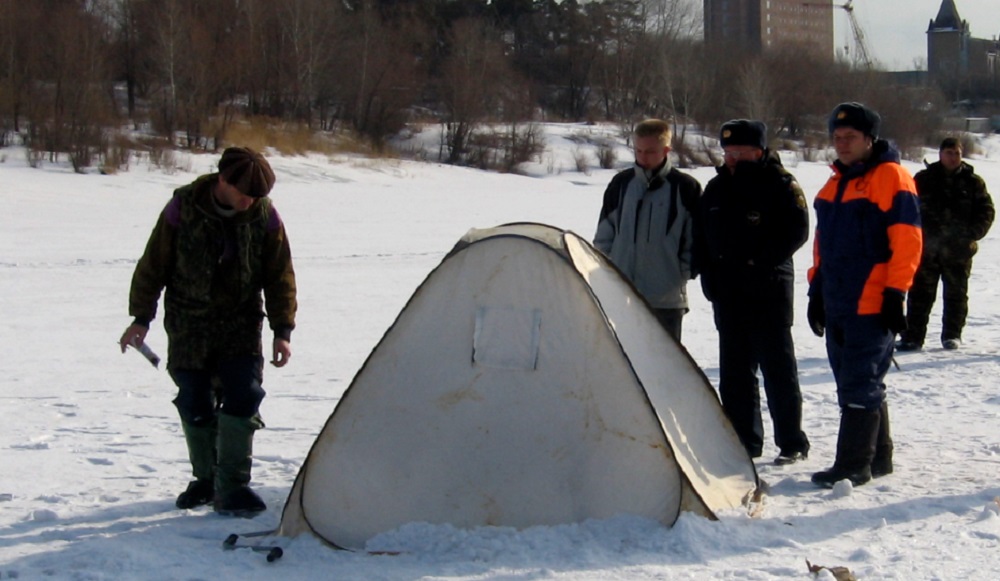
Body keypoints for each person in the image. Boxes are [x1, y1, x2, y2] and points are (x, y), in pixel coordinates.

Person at [119, 147, 297, 515]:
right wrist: (140, 318)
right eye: (244, 194)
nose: (250, 202)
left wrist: (283, 329)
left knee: (244, 395)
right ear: (223, 181)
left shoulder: (265, 216)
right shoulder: (182, 209)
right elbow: (153, 266)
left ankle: (232, 487)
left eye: (257, 196)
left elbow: (280, 275)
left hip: (241, 323)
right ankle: (205, 479)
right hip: (189, 323)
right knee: (194, 400)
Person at [806, 103, 922, 488]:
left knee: (859, 381)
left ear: (869, 139)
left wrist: (896, 292)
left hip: (871, 299)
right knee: (857, 379)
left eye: (850, 137)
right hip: (839, 298)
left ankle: (854, 464)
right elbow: (822, 245)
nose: (842, 144)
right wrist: (816, 290)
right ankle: (879, 456)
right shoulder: (834, 184)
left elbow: (907, 239)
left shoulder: (891, 177)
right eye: (837, 138)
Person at [696, 119, 810, 464]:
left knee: (778, 370)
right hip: (728, 293)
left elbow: (796, 232)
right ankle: (744, 441)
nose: (730, 158)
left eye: (739, 152)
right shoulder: (716, 189)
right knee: (735, 373)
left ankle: (791, 442)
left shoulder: (780, 184)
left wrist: (757, 262)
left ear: (758, 152)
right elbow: (702, 236)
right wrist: (707, 274)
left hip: (768, 290)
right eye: (727, 152)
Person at [594, 118, 701, 341]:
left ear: (666, 150)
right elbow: (604, 235)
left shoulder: (685, 187)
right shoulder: (621, 184)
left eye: (650, 151)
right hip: (621, 294)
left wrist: (681, 273)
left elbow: (695, 240)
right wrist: (607, 270)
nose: (643, 157)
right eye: (639, 151)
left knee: (664, 368)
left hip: (666, 299)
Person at [896, 137, 995, 351]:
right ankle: (913, 337)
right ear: (940, 154)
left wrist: (972, 234)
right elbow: (908, 209)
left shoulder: (973, 182)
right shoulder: (923, 179)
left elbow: (986, 210)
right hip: (926, 250)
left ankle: (952, 335)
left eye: (957, 154)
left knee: (956, 295)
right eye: (949, 153)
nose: (953, 158)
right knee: (920, 295)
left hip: (958, 251)